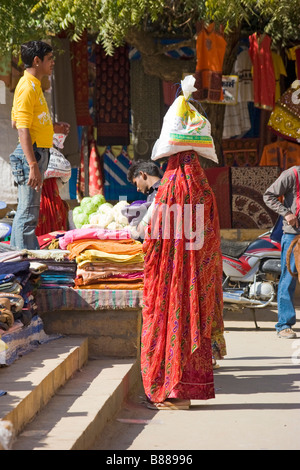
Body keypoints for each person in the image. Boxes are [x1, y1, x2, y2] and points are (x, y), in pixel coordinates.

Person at [140, 77, 226, 410]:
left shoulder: (171, 186)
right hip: (195, 282)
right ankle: (186, 391)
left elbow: (157, 237)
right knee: (191, 324)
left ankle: (174, 393)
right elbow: (208, 238)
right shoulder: (202, 188)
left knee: (170, 321)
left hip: (172, 280)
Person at [9, 40, 70, 250]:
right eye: (50, 59)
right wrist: (32, 163)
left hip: (35, 153)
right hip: (31, 155)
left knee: (27, 213)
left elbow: (18, 121)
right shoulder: (27, 87)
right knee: (28, 214)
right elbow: (21, 128)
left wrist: (53, 127)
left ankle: (19, 259)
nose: (53, 63)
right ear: (37, 61)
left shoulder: (33, 85)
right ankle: (26, 262)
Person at [263, 166, 300, 339]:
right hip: (294, 236)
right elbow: (268, 195)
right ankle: (284, 325)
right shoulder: (292, 174)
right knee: (289, 278)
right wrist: (286, 213)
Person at [123, 160, 161, 239]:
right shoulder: (151, 193)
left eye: (136, 183)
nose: (137, 189)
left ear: (142, 174)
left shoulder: (161, 190)